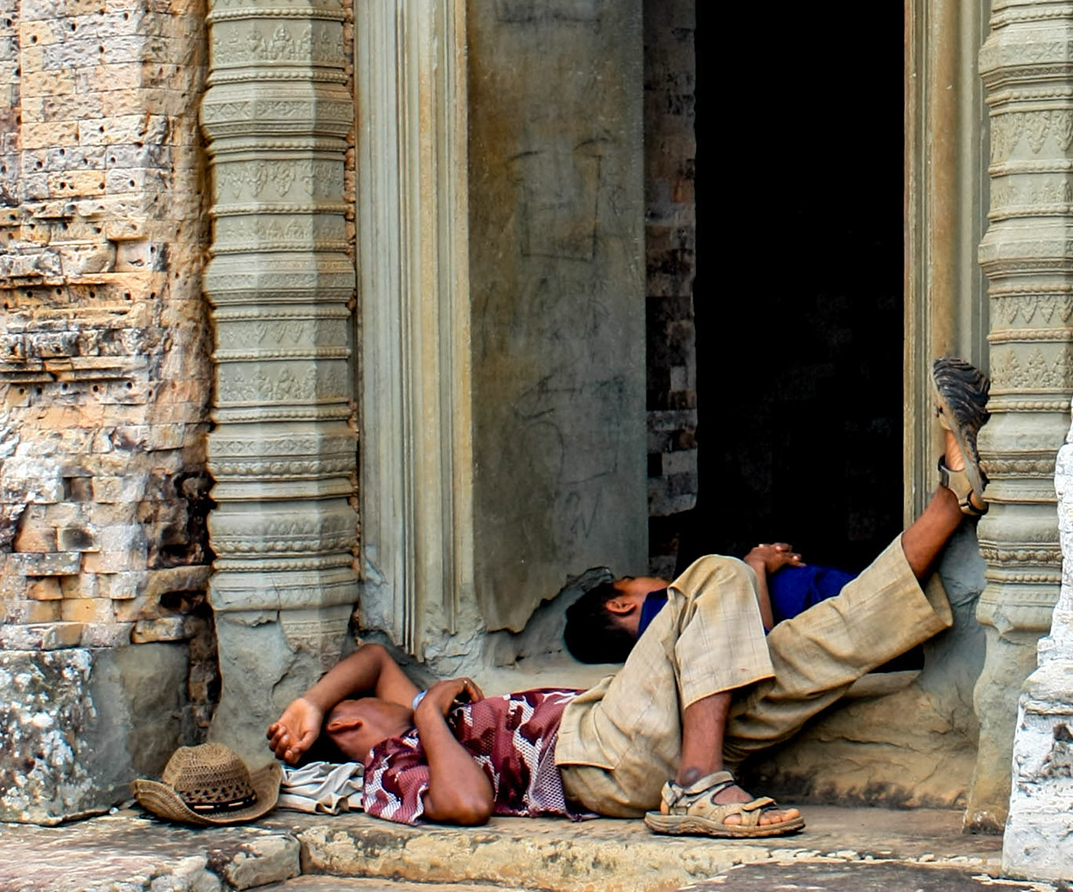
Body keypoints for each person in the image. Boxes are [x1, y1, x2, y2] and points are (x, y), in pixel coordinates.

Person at [266, 356, 992, 839]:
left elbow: (370, 660)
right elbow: (467, 803)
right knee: (714, 574)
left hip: (656, 730)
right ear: (351, 729)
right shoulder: (387, 765)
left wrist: (309, 702)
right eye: (354, 708)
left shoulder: (406, 716)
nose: (379, 696)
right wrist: (425, 713)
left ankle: (952, 497)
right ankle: (699, 786)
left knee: (821, 642)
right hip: (598, 753)